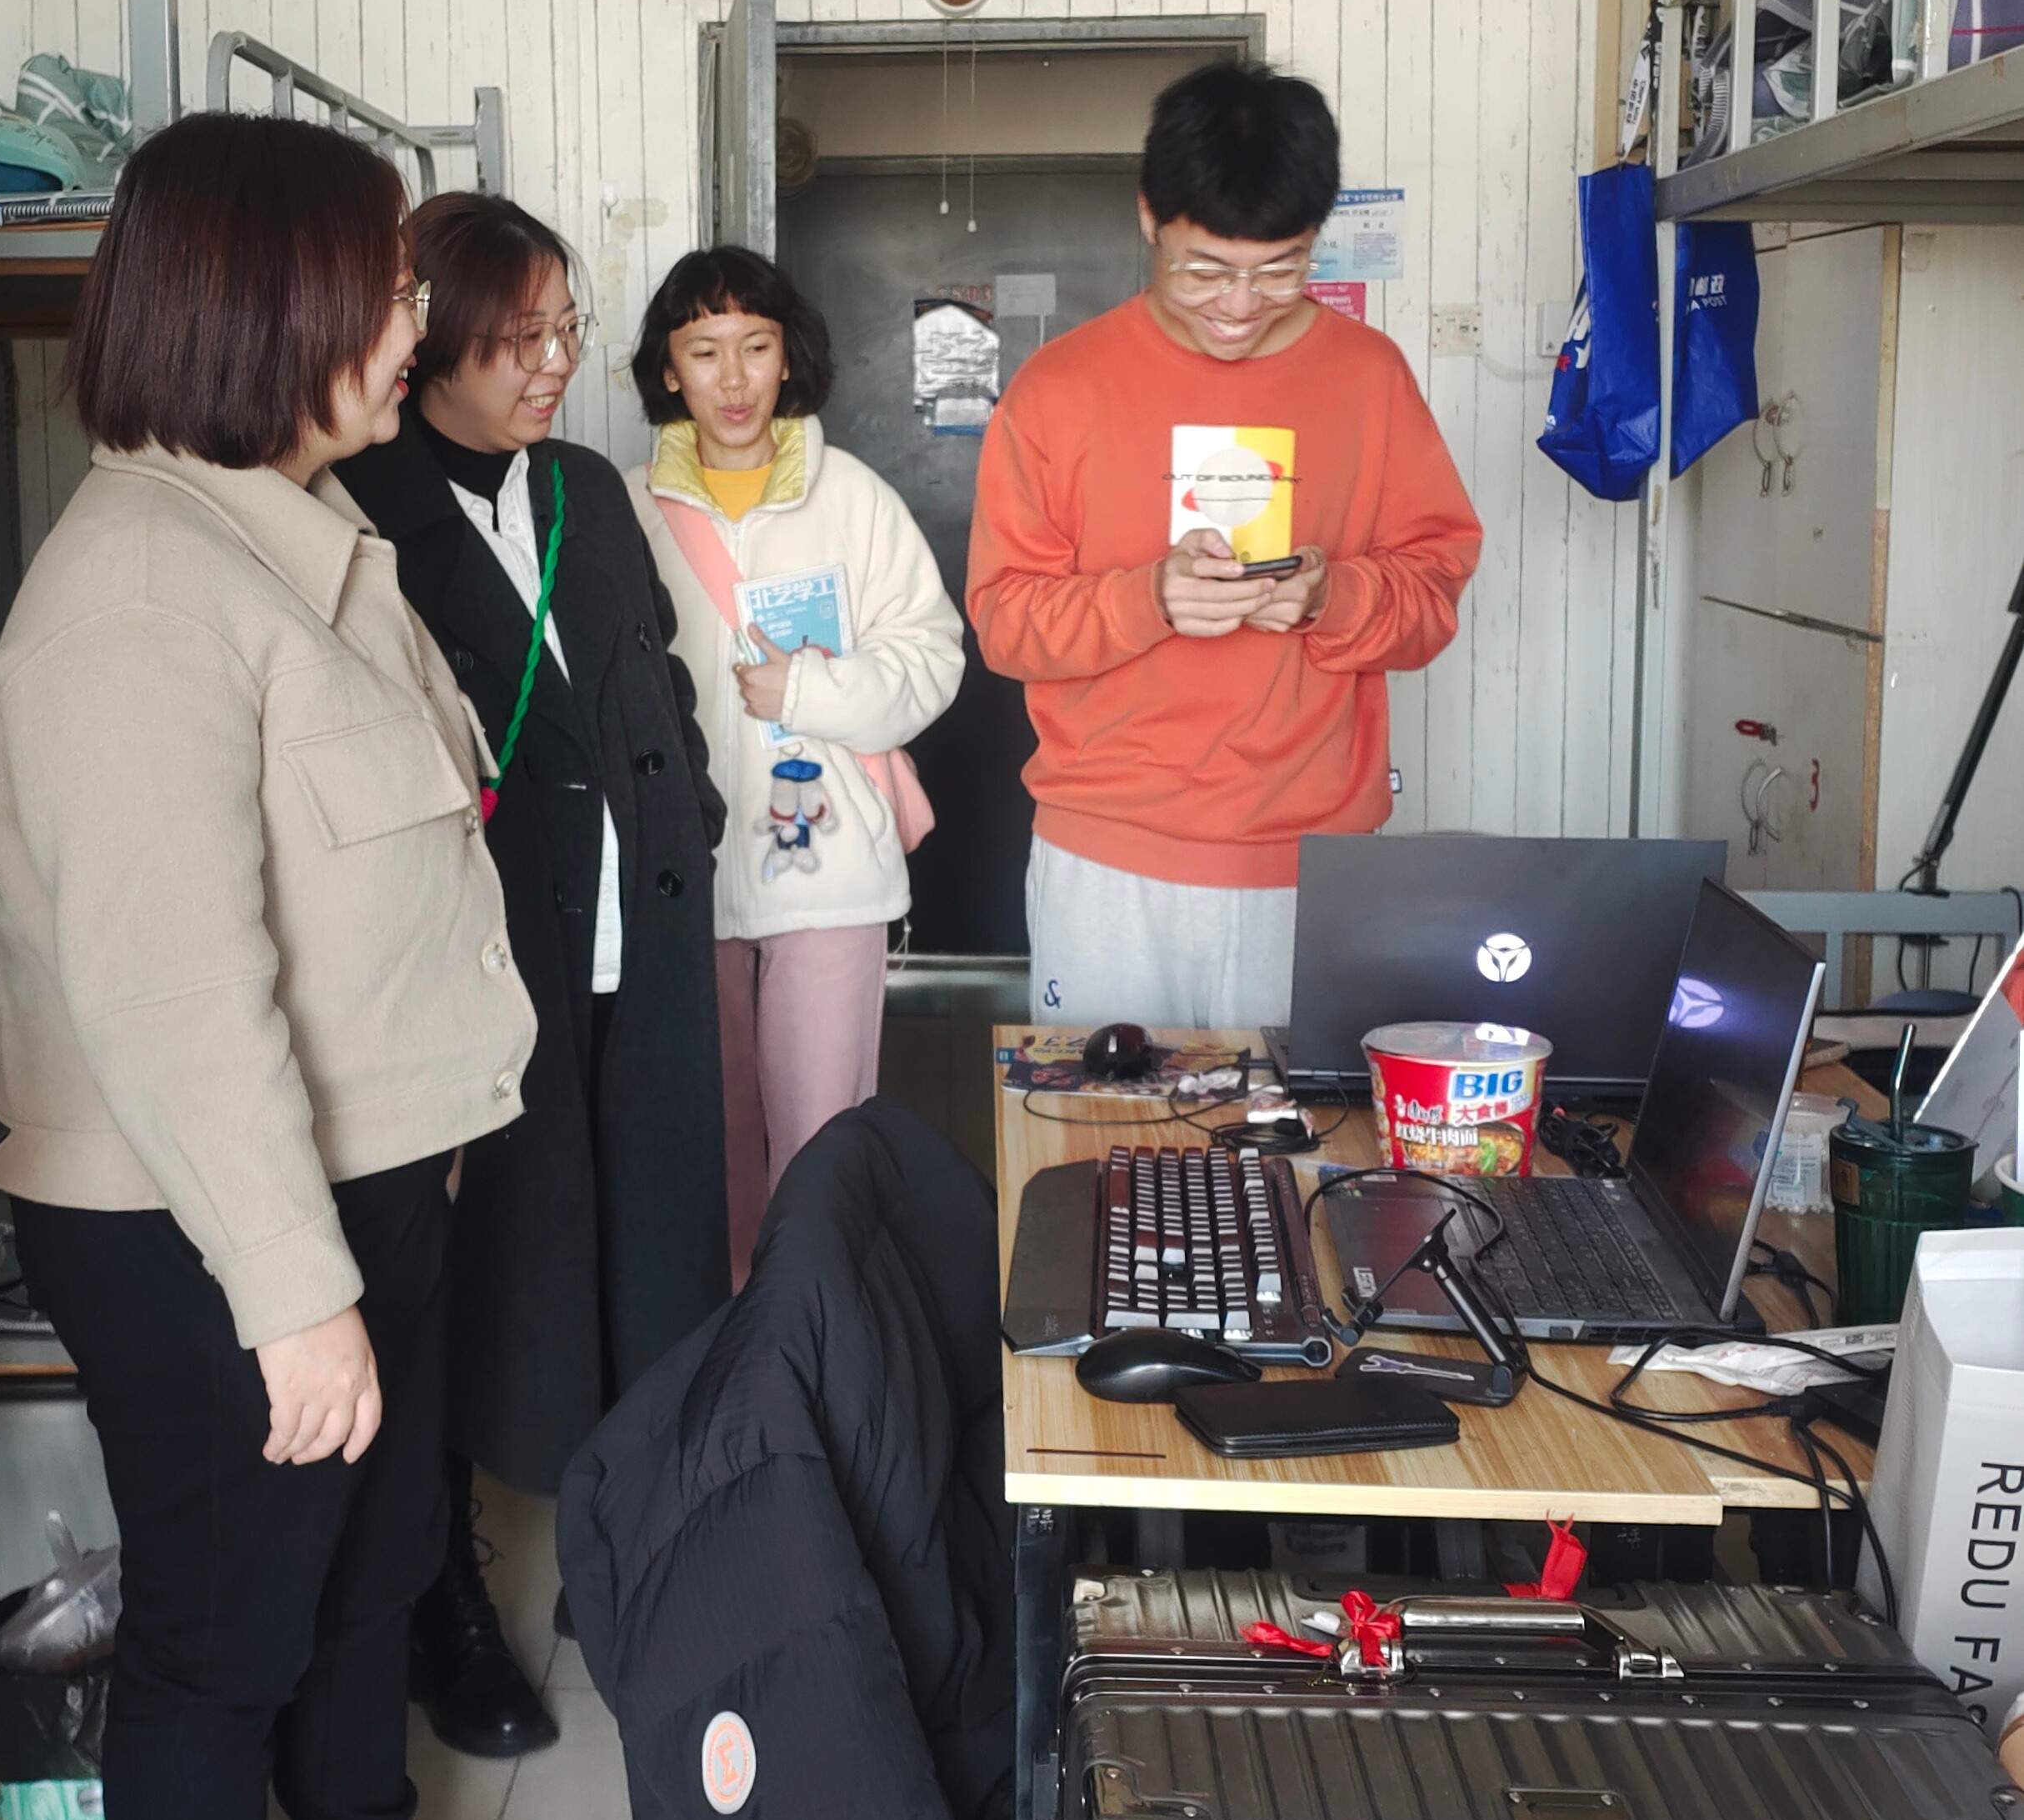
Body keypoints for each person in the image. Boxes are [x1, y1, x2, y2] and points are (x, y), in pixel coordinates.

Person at [0, 116, 592, 1820]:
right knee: (227, 1630)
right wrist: (291, 1289)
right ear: (264, 302)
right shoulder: (136, 597)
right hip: (210, 1221)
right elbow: (173, 993)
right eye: (386, 286)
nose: (416, 321)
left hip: (355, 1174)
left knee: (376, 1554)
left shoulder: (295, 530)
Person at [337, 194, 727, 1758]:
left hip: (644, 955)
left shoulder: (585, 490)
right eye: (518, 338)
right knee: (481, 1289)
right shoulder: (362, 516)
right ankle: (445, 1603)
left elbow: (657, 677)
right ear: (428, 341)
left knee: (650, 1266)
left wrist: (689, 813)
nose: (556, 362)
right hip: (494, 979)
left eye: (567, 328)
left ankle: (631, 1563)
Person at [966, 62, 1482, 1029]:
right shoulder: (1059, 389)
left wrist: (1334, 596)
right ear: (1149, 218)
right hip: (1107, 862)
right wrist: (1149, 600)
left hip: (1314, 862)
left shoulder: (1369, 380)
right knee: (1101, 1124)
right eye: (1204, 270)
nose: (1241, 304)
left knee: (1299, 1127)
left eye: (1281, 270)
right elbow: (1005, 624)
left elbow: (1432, 600)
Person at [629, 246, 965, 1282]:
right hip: (683, 877)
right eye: (705, 351)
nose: (734, 380)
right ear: (670, 368)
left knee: (823, 1146)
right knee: (707, 1152)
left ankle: (821, 1339)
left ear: (789, 357)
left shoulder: (853, 498)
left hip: (828, 875)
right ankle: (736, 1353)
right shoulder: (624, 508)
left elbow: (934, 656)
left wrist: (809, 694)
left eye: (757, 347)